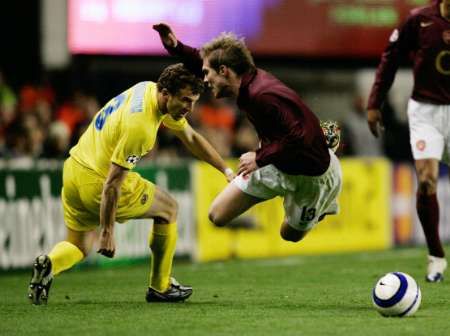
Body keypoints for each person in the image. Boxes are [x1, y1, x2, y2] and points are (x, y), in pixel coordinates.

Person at [28, 63, 234, 305]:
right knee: (168, 208)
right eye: (185, 100)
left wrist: (226, 169)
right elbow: (113, 183)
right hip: (99, 181)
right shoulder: (142, 127)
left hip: (73, 170)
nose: (190, 108)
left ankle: (50, 263)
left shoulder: (146, 89)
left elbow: (191, 137)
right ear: (166, 93)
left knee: (79, 245)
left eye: (194, 101)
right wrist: (107, 231)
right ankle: (161, 286)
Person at [154, 24, 342, 244]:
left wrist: (259, 157)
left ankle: (322, 195)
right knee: (217, 214)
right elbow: (205, 62)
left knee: (290, 235)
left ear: (224, 70)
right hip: (276, 163)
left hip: (311, 174)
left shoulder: (262, 94)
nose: (204, 80)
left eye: (207, 74)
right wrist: (176, 47)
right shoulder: (246, 82)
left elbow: (302, 135)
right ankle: (322, 144)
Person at [367, 0, 450, 282]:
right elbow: (390, 58)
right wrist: (374, 102)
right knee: (426, 179)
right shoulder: (419, 20)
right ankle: (436, 257)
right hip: (425, 111)